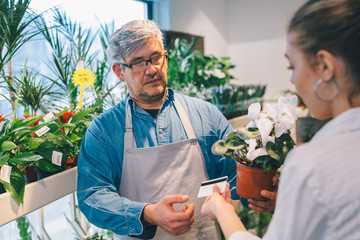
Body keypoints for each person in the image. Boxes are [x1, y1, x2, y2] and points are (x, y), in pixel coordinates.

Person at [76, 19, 275, 239]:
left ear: (166, 59)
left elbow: (235, 174)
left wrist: (262, 194)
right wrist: (148, 213)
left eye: (155, 58)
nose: (151, 69)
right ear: (120, 72)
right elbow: (93, 196)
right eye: (138, 62)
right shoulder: (103, 131)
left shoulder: (205, 115)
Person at [201, 0, 360, 239]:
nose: (294, 80)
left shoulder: (310, 164)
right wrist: (293, 206)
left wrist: (223, 211)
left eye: (291, 66)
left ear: (325, 66)